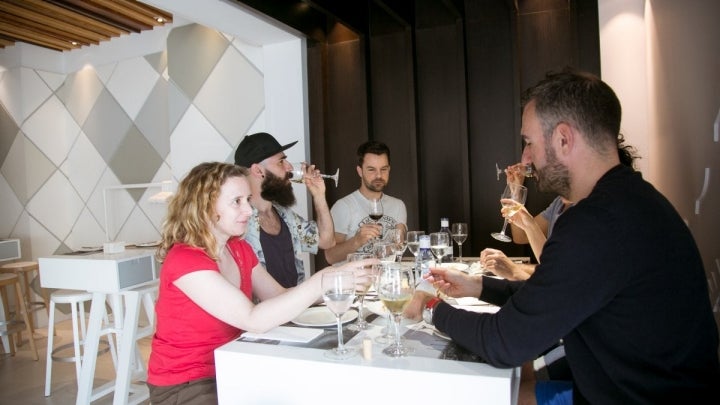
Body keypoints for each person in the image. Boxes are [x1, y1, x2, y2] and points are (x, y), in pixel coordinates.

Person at [407, 70, 720, 404]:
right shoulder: (631, 201)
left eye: (529, 142)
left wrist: (429, 305)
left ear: (563, 139)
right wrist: (478, 286)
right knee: (511, 390)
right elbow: (553, 292)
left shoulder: (596, 223)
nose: (526, 158)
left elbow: (504, 342)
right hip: (629, 384)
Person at [146, 162, 373, 404]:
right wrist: (322, 280)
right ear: (204, 206)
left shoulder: (238, 249)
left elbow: (278, 295)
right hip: (188, 383)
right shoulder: (185, 259)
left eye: (248, 199)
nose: (248, 210)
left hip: (235, 363)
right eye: (237, 202)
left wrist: (335, 285)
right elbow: (252, 319)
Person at [483, 135, 640, 280]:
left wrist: (515, 271)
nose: (526, 161)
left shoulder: (598, 215)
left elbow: (565, 275)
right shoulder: (559, 203)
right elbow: (521, 237)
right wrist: (516, 190)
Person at [234, 132, 335, 288]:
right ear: (258, 171)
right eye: (281, 162)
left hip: (297, 310)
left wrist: (319, 196)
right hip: (261, 311)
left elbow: (327, 241)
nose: (289, 167)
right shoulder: (237, 222)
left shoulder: (284, 215)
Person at [324, 140, 407, 264]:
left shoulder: (398, 205)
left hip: (388, 279)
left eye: (383, 169)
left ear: (389, 169)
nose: (379, 175)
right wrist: (357, 241)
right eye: (371, 170)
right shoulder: (343, 206)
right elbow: (330, 256)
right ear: (360, 171)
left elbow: (399, 245)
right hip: (354, 281)